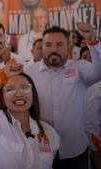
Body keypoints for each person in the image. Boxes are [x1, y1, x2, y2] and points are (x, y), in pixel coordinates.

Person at [24, 24, 101, 169]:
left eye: (59, 44)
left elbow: (98, 71)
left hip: (74, 149)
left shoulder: (79, 68)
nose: (53, 49)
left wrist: (92, 41)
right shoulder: (29, 72)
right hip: (40, 149)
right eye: (48, 45)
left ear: (69, 46)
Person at [0, 63, 60, 169]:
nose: (19, 94)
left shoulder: (49, 132)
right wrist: (1, 76)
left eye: (25, 88)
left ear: (33, 97)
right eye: (10, 89)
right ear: (3, 100)